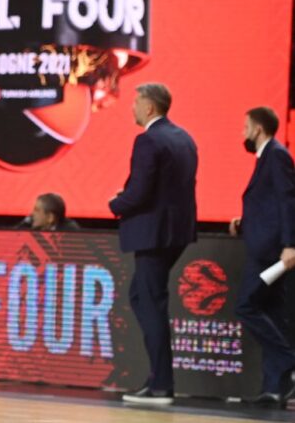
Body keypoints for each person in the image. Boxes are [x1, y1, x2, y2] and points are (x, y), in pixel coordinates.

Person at [109, 83, 197, 405]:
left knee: (151, 303)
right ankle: (158, 380)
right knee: (142, 296)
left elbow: (141, 191)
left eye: (135, 103)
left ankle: (161, 385)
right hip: (176, 233)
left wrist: (116, 204)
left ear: (149, 108)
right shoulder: (184, 138)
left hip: (154, 234)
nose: (132, 108)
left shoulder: (148, 140)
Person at [230, 107, 295, 407]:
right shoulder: (268, 157)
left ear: (258, 129)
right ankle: (275, 388)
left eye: (246, 127)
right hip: (266, 245)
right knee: (270, 312)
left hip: (270, 252)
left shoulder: (277, 155)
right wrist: (245, 221)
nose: (243, 132)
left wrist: (290, 244)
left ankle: (287, 359)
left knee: (246, 306)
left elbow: (287, 200)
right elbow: (268, 203)